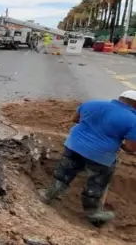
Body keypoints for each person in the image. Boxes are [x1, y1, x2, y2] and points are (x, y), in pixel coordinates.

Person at [38, 91, 136, 226]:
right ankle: (93, 212)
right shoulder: (133, 119)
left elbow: (76, 119)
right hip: (101, 155)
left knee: (66, 170)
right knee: (97, 181)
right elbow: (131, 148)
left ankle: (49, 194)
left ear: (120, 99)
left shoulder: (92, 103)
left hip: (74, 145)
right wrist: (118, 143)